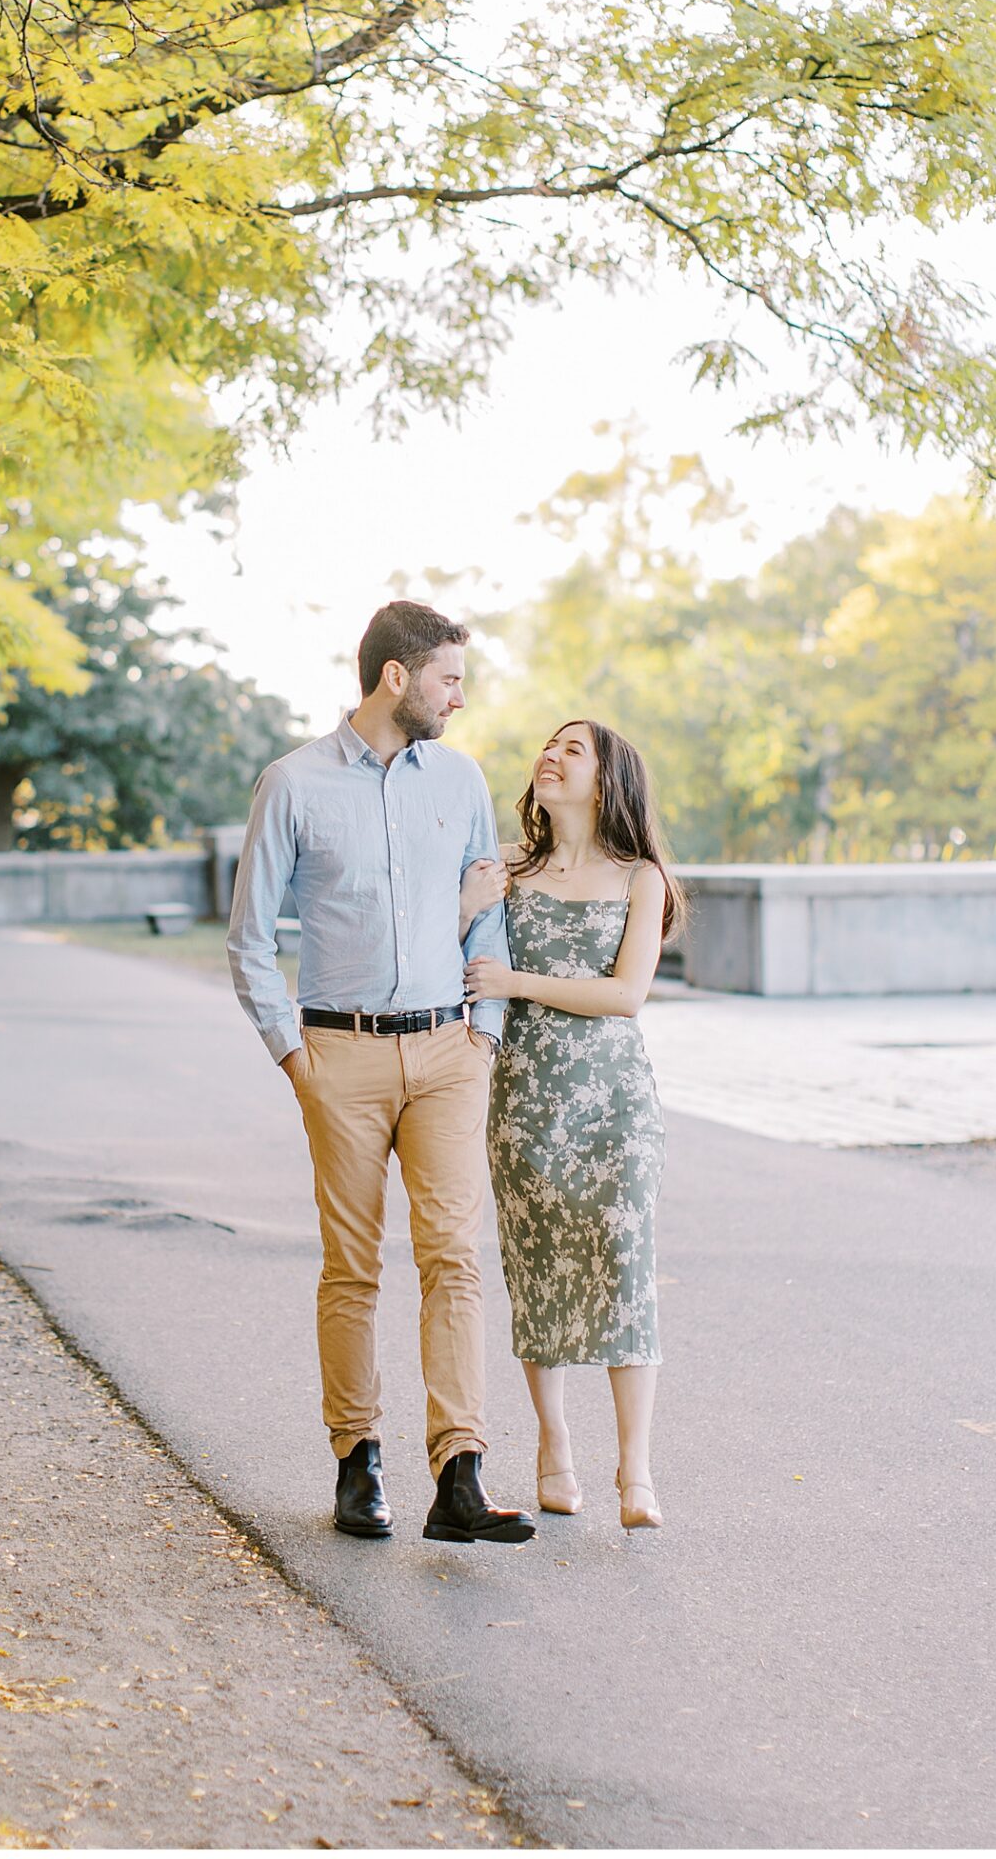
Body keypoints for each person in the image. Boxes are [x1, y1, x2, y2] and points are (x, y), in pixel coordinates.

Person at [227, 600, 536, 1548]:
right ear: (396, 677)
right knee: (353, 1268)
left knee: (454, 1259)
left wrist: (483, 1034)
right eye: (449, 679)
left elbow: (486, 916)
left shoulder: (461, 779)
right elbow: (249, 939)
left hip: (449, 1053)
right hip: (342, 1056)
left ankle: (460, 1474)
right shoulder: (294, 784)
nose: (459, 698)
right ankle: (357, 1459)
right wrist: (297, 1061)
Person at [460, 718, 678, 1530]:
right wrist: (466, 907)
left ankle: (636, 1469)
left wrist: (517, 982)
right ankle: (554, 1447)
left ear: (607, 778)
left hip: (616, 1104)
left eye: (572, 749)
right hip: (525, 1100)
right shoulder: (507, 870)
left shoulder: (641, 878)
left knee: (625, 1265)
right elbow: (451, 954)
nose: (550, 756)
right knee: (538, 1268)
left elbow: (625, 995)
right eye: (548, 746)